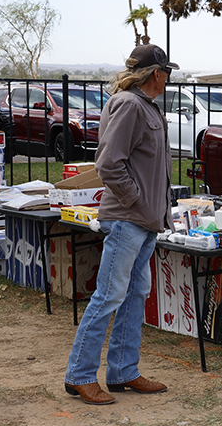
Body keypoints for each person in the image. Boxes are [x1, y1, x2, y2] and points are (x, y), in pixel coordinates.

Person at [64, 44, 177, 405]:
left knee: (132, 295)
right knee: (111, 295)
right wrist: (135, 200)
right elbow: (110, 162)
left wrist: (151, 208)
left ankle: (123, 371)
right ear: (156, 74)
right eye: (166, 72)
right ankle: (80, 375)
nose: (168, 78)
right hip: (130, 217)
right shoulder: (131, 104)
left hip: (142, 219)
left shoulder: (141, 105)